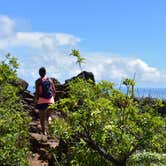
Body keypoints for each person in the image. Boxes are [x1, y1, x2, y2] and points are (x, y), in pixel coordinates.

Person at [34, 67, 56, 135]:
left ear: (39, 73)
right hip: (50, 101)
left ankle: (44, 132)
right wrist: (52, 99)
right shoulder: (50, 80)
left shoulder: (38, 81)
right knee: (49, 116)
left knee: (42, 118)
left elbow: (37, 92)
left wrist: (35, 101)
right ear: (45, 72)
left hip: (41, 101)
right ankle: (51, 130)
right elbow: (54, 91)